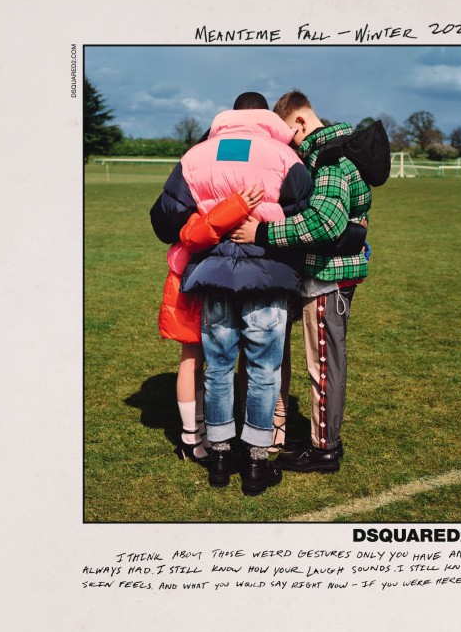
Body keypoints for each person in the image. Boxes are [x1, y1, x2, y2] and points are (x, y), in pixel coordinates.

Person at [150, 92, 312, 494]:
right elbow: (304, 215)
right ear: (266, 117)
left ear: (230, 116)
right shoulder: (285, 156)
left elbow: (165, 218)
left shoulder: (197, 155)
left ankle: (220, 456)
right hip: (268, 273)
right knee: (263, 370)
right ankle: (256, 461)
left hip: (214, 275)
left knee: (218, 367)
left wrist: (214, 218)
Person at [232, 90, 372, 473]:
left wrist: (262, 232)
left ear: (299, 121)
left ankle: (323, 449)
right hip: (327, 274)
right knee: (324, 361)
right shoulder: (328, 155)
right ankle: (319, 440)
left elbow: (324, 223)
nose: (287, 144)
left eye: (287, 134)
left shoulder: (330, 160)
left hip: (327, 278)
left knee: (323, 364)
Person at [157, 184, 264, 463]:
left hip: (201, 282)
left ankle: (200, 429)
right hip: (190, 287)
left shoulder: (197, 196)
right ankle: (189, 436)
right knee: (193, 358)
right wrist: (237, 205)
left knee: (206, 361)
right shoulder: (192, 205)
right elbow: (200, 232)